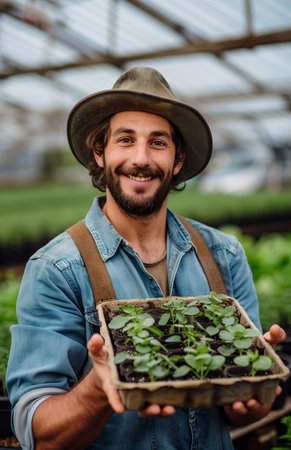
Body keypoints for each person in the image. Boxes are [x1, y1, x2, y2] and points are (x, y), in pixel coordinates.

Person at [6, 66, 286, 450]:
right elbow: (37, 433)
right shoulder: (57, 270)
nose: (141, 158)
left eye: (158, 142)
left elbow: (247, 412)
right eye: (125, 140)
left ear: (177, 158)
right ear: (100, 152)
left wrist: (255, 385)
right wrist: (99, 387)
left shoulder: (224, 254)